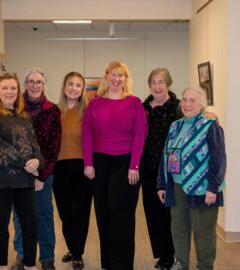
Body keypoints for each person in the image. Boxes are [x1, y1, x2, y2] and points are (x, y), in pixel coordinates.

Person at [82, 60, 148, 270]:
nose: (117, 79)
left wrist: (134, 166)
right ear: (106, 77)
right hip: (99, 163)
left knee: (122, 214)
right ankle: (108, 262)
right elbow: (87, 135)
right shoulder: (95, 103)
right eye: (113, 74)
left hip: (126, 163)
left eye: (121, 75)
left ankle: (123, 263)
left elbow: (140, 135)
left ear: (126, 79)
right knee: (103, 212)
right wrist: (88, 163)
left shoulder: (134, 102)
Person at [157, 86, 226, 270]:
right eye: (184, 99)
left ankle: (204, 266)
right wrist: (162, 184)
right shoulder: (175, 125)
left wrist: (213, 187)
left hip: (202, 189)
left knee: (203, 233)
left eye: (192, 100)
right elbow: (166, 154)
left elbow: (219, 159)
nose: (187, 104)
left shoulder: (210, 125)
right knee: (179, 229)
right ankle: (180, 263)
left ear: (202, 104)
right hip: (177, 187)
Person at [0, 72, 44, 270]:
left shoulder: (23, 115)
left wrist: (38, 161)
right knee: (2, 226)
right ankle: (1, 265)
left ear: (18, 91)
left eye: (13, 88)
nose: (9, 92)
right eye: (5, 88)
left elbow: (34, 144)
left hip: (24, 180)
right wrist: (27, 162)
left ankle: (29, 264)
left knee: (31, 223)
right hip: (0, 179)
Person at [11, 68, 62, 270]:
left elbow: (53, 147)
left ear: (44, 84)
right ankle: (22, 255)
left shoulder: (52, 110)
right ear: (25, 84)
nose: (34, 85)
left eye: (38, 82)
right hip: (18, 173)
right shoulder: (14, 109)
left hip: (44, 174)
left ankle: (47, 257)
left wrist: (41, 176)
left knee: (44, 214)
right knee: (19, 215)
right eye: (31, 81)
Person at [140, 68, 181, 270]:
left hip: (170, 171)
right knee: (153, 214)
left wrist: (210, 115)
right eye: (153, 82)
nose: (157, 86)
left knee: (169, 215)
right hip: (147, 170)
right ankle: (163, 255)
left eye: (161, 82)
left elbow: (194, 120)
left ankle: (173, 254)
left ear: (168, 84)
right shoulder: (142, 107)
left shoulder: (178, 107)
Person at [53, 71, 92, 270]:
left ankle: (78, 252)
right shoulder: (54, 111)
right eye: (71, 84)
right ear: (64, 86)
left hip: (83, 169)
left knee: (81, 212)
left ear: (82, 89)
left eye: (78, 85)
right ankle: (71, 247)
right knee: (65, 212)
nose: (74, 88)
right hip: (60, 169)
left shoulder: (87, 112)